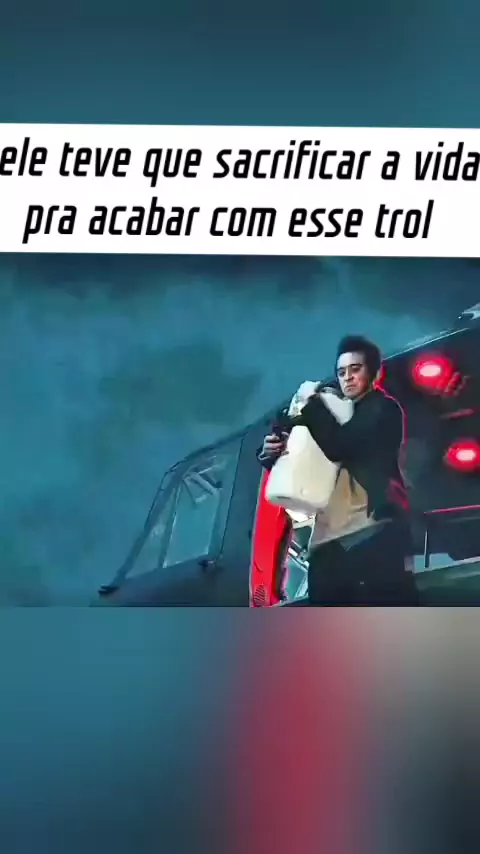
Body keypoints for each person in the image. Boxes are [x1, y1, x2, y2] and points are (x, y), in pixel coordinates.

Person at [258, 335, 419, 606]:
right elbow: (293, 439)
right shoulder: (329, 409)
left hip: (372, 530)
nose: (347, 378)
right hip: (327, 542)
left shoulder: (382, 408)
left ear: (375, 373)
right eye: (341, 372)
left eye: (355, 369)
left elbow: (341, 444)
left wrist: (312, 405)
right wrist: (269, 451)